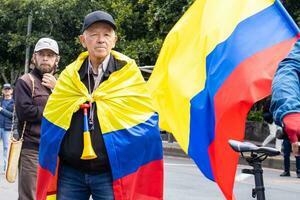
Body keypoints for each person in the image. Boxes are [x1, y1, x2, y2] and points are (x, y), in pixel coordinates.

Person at [36, 11, 163, 200]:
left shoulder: (127, 75)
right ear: (83, 40)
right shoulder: (70, 76)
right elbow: (53, 119)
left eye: (106, 34)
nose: (100, 40)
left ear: (114, 40)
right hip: (71, 173)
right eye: (94, 34)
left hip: (110, 173)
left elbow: (145, 119)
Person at [15, 37, 59, 200]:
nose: (46, 58)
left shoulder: (60, 84)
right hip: (32, 149)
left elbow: (70, 109)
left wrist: (57, 88)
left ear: (57, 60)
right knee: (30, 196)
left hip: (56, 150)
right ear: (34, 57)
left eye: (50, 55)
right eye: (42, 54)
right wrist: (53, 109)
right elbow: (25, 112)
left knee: (52, 196)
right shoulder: (26, 81)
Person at [270, 39, 300, 177]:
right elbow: (288, 71)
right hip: (291, 124)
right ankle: (289, 170)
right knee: (288, 149)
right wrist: (290, 109)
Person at [0, 83, 14, 173]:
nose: (7, 91)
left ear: (12, 91)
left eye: (8, 89)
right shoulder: (0, 101)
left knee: (6, 147)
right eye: (5, 89)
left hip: (7, 129)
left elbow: (13, 116)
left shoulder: (14, 103)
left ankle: (5, 168)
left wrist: (1, 110)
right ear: (2, 91)